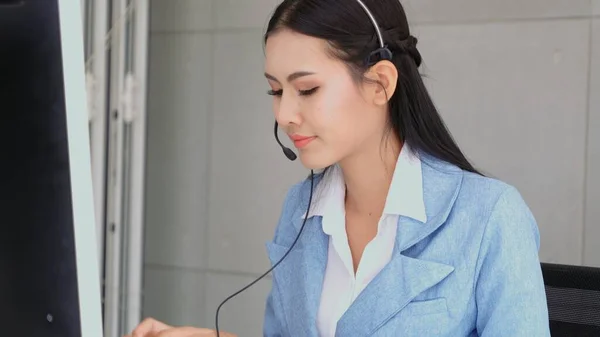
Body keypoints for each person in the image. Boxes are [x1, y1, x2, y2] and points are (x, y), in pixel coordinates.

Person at [128, 0, 550, 336]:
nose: (285, 114)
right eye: (276, 91)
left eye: (307, 89)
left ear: (381, 83)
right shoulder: (300, 211)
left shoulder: (490, 217)